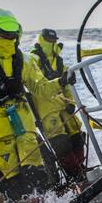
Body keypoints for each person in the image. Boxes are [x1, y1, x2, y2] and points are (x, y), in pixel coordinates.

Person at [0, 9, 72, 199]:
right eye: (5, 33)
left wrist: (61, 82)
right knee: (13, 177)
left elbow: (40, 88)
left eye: (12, 33)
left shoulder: (23, 60)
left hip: (24, 126)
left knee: (36, 171)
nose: (9, 37)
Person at [28, 28, 86, 182]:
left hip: (65, 107)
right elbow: (38, 87)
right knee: (61, 145)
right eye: (49, 39)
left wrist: (71, 101)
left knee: (77, 138)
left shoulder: (59, 60)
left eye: (53, 39)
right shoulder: (32, 59)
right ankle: (75, 177)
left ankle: (81, 171)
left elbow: (67, 84)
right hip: (47, 110)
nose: (52, 42)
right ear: (42, 39)